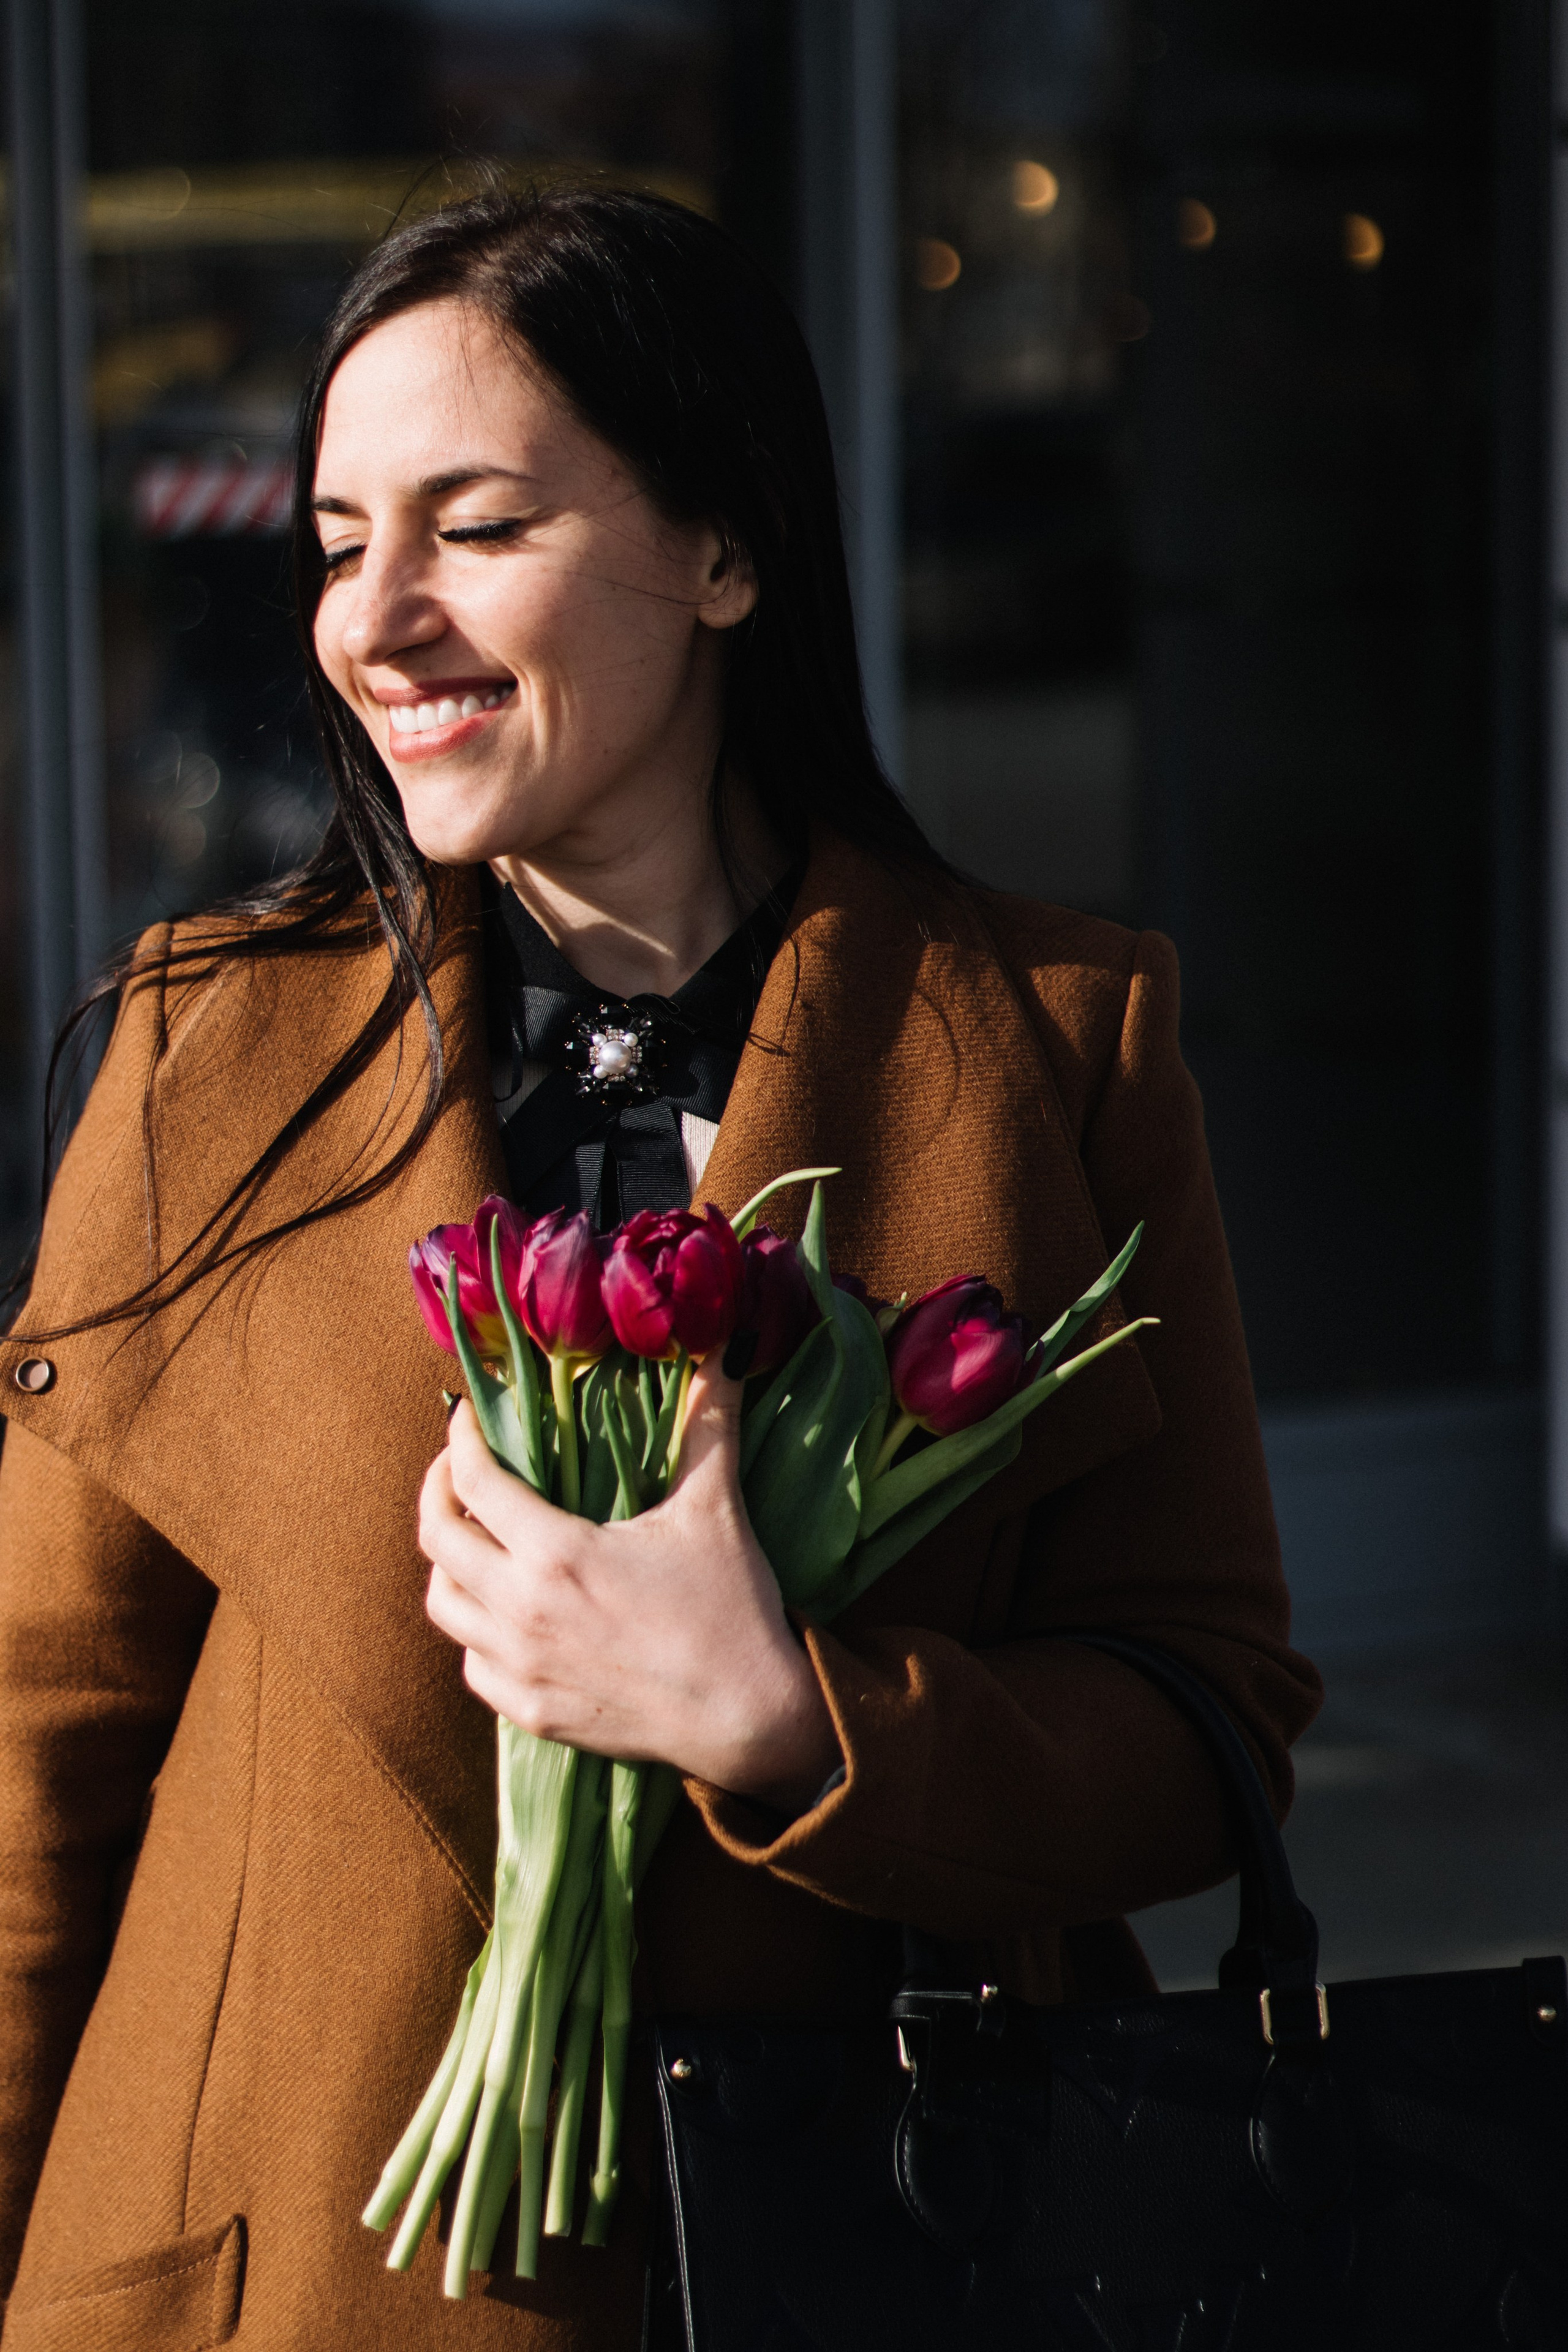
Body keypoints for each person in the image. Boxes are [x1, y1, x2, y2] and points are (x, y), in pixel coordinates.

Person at [0, 187, 1321, 2350]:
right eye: (337, 542)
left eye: (476, 527)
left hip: (873, 2258)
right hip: (285, 2281)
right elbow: (35, 1767)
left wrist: (788, 1720)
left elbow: (1209, 1722)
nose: (375, 620)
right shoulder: (203, 1055)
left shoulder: (1056, 1045)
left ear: (724, 552)